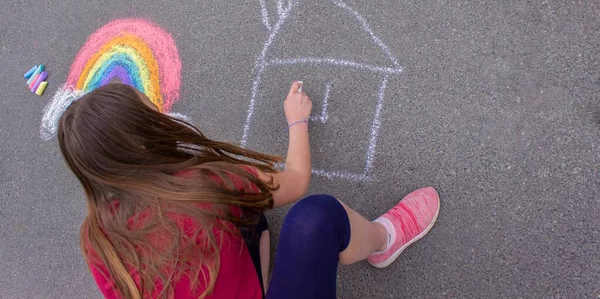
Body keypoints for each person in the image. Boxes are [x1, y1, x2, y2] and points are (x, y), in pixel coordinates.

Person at [57, 82, 440, 299]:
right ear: (145, 140)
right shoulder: (204, 187)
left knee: (251, 220)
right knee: (314, 218)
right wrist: (297, 120)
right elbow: (295, 179)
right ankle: (385, 240)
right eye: (153, 112)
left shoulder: (97, 240)